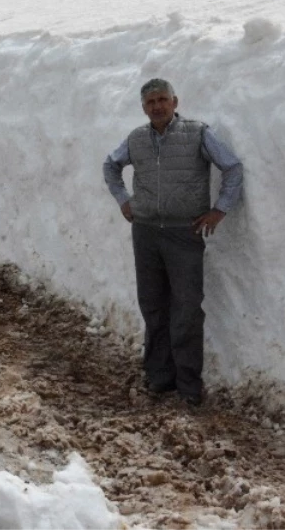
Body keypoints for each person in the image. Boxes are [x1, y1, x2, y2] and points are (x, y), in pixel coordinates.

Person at [103, 78, 243, 407]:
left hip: (184, 233)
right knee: (153, 306)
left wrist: (219, 210)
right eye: (151, 102)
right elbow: (110, 166)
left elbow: (232, 167)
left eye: (163, 100)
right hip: (146, 232)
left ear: (175, 102)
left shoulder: (197, 133)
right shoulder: (136, 138)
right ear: (143, 108)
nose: (157, 106)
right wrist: (124, 200)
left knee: (187, 309)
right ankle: (159, 378)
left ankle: (188, 386)